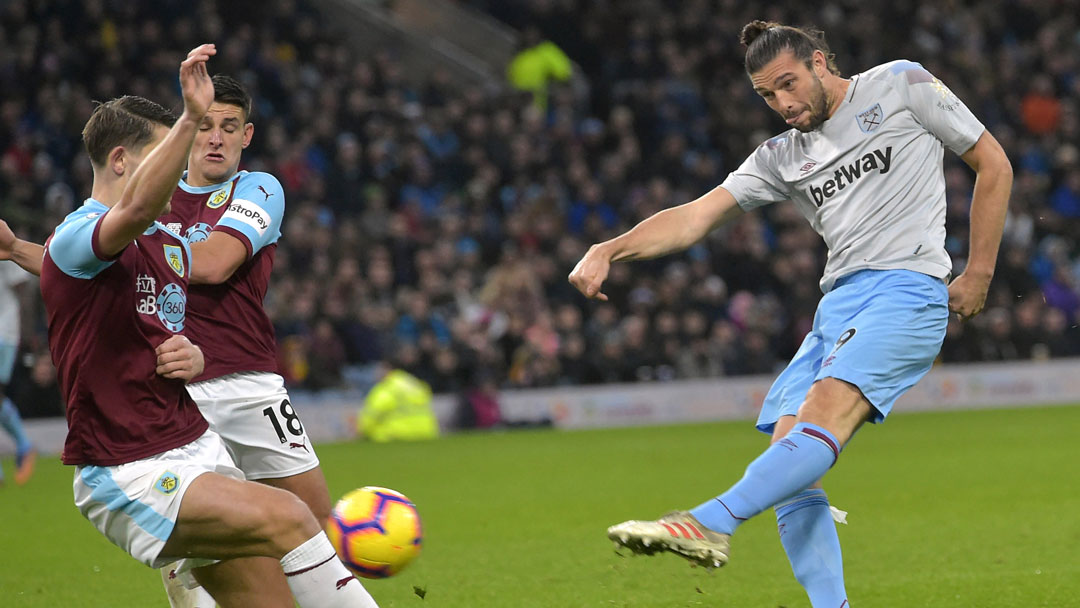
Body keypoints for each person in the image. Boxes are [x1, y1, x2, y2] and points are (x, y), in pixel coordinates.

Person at [568, 21, 1012, 608]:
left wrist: (978, 271)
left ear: (819, 62)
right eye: (766, 95)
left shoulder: (901, 84)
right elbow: (695, 216)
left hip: (904, 290)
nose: (782, 104)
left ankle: (707, 521)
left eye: (787, 84)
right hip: (837, 308)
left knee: (822, 415)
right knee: (789, 459)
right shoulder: (782, 156)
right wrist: (609, 248)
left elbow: (993, 163)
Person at [21, 44, 377, 607]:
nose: (201, 144)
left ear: (247, 135)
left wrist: (196, 354)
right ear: (122, 161)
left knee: (297, 539)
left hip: (215, 415)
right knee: (283, 520)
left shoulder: (199, 219)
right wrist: (21, 248)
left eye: (222, 128)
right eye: (184, 140)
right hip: (132, 458)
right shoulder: (104, 228)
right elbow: (82, 254)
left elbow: (177, 292)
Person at [0, 260, 36, 485]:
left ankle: (24, 445)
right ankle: (24, 445)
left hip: (4, 331)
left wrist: (28, 331)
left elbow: (23, 289)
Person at [357, 363, 440, 442]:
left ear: (387, 369)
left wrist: (362, 430)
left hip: (397, 434)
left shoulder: (388, 387)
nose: (376, 373)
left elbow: (373, 413)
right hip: (426, 432)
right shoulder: (415, 384)